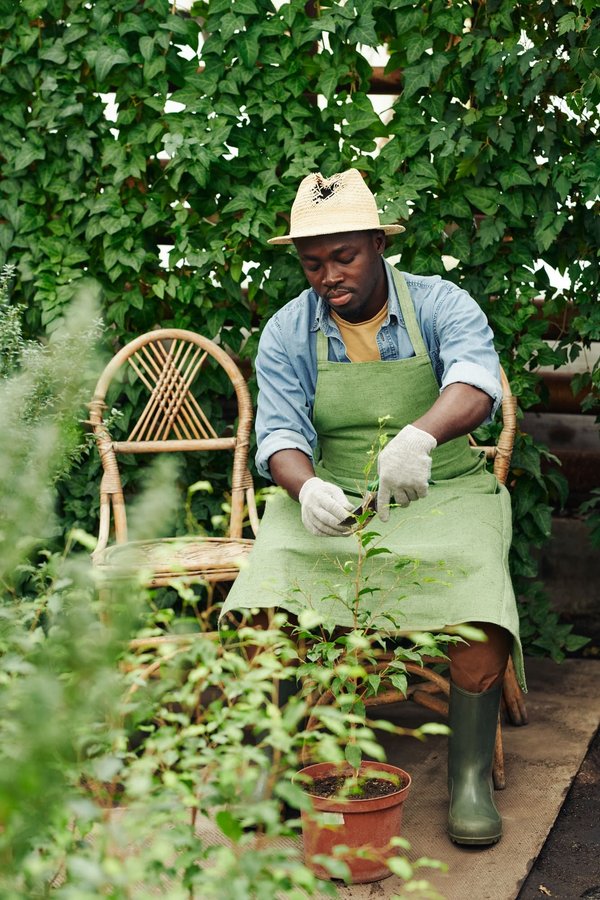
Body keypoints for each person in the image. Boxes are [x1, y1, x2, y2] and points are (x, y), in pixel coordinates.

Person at [220, 168, 525, 846]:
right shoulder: (288, 331)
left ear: (378, 245)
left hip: (444, 486)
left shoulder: (442, 304)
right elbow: (278, 434)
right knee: (268, 575)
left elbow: (476, 384)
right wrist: (306, 487)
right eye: (312, 263)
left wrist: (419, 437)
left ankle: (469, 778)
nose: (328, 275)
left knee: (475, 573)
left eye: (343, 255)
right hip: (341, 497)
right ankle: (278, 761)